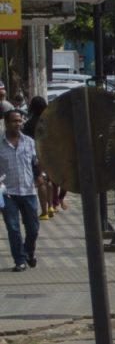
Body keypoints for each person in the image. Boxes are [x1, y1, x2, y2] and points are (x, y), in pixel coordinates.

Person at [0, 110, 40, 271]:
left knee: (33, 228)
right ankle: (20, 260)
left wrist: (42, 175)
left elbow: (37, 162)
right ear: (6, 123)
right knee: (13, 227)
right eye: (14, 121)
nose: (18, 124)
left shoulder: (29, 142)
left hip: (28, 190)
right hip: (7, 192)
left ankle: (28, 251)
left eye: (20, 121)